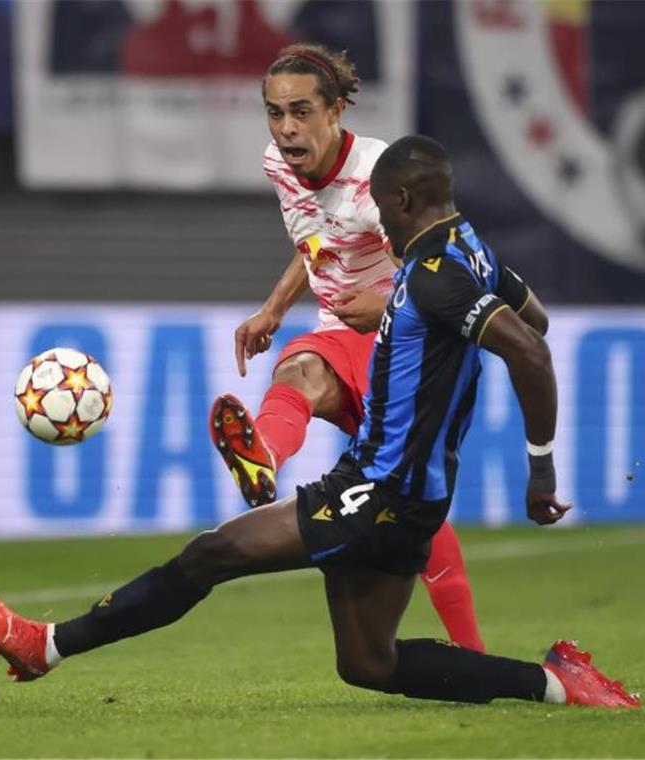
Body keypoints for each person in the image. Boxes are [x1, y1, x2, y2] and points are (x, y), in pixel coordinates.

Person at [0, 134, 641, 709]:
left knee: (211, 553)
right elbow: (537, 319)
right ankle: (556, 682)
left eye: (382, 208)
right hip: (412, 497)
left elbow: (529, 348)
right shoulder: (474, 250)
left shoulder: (436, 276)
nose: (377, 220)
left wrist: (541, 466)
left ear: (405, 201)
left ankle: (48, 646)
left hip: (378, 492)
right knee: (367, 664)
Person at [210, 43, 549, 653]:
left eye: (301, 112)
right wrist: (274, 308)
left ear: (335, 111)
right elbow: (316, 238)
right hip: (343, 335)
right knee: (301, 371)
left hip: (402, 341)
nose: (286, 128)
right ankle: (263, 456)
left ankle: (471, 654)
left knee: (409, 502)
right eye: (274, 113)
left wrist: (384, 302)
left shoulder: (378, 184)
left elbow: (435, 269)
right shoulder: (278, 163)